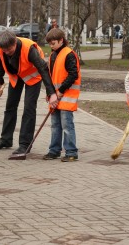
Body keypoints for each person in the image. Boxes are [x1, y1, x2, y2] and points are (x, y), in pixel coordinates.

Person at [0, 30, 58, 157]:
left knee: (29, 108)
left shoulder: (29, 49)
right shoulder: (0, 46)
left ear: (15, 42)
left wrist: (51, 92)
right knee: (10, 106)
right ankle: (5, 140)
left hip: (33, 76)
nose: (7, 52)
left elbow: (43, 69)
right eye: (4, 50)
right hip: (16, 75)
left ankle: (25, 144)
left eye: (9, 49)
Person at [42, 28, 81, 162]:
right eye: (49, 44)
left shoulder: (69, 54)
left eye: (53, 43)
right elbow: (50, 76)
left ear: (61, 41)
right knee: (55, 125)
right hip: (56, 96)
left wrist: (61, 91)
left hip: (66, 96)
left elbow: (73, 75)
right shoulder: (53, 55)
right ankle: (54, 150)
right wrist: (51, 93)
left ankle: (71, 152)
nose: (51, 46)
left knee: (66, 125)